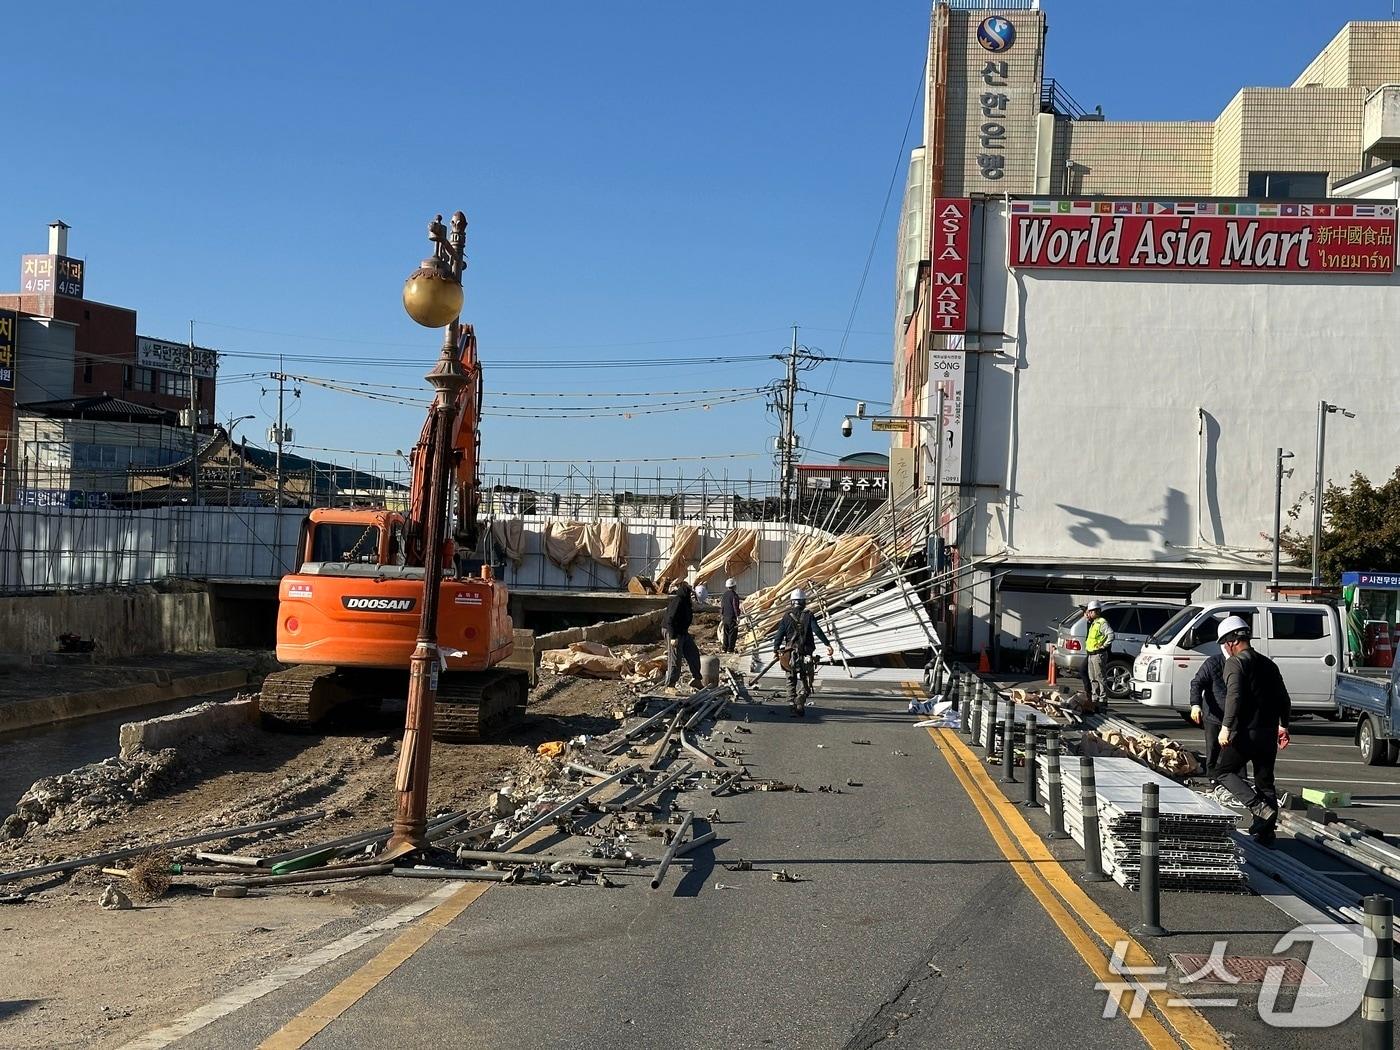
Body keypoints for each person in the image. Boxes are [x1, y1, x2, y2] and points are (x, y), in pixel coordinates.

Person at [1211, 615, 1292, 844]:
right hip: (1268, 733)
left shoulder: (1235, 663)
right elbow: (1284, 700)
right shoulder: (1269, 664)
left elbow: (1234, 697)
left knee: (1223, 772)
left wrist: (1226, 727)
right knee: (1265, 782)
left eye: (1224, 643)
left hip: (1245, 732)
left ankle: (1258, 808)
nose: (1225, 648)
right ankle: (1267, 833)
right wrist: (1284, 726)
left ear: (1232, 641)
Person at [772, 588, 834, 716]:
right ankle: (801, 696)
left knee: (790, 678)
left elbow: (779, 635)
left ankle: (791, 703)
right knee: (807, 677)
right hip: (806, 652)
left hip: (789, 653)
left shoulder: (786, 616)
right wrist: (827, 644)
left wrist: (776, 649)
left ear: (792, 602)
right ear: (803, 602)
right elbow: (817, 630)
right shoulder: (809, 615)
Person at [1189, 648, 1228, 779]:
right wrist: (1195, 704)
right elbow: (1197, 683)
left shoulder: (1242, 663)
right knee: (1213, 751)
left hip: (1234, 717)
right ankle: (1213, 780)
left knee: (1233, 753)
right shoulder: (1213, 662)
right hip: (1213, 716)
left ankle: (1236, 782)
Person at [663, 580, 703, 690]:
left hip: (682, 631)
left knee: (693, 652)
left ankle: (696, 679)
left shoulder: (687, 603)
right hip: (673, 631)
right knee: (676, 658)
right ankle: (670, 685)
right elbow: (670, 620)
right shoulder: (678, 601)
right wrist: (673, 637)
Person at [1083, 600, 1115, 713]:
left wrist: (1103, 646)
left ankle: (1102, 699)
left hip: (1098, 654)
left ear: (1096, 611)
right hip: (1091, 654)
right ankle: (1095, 698)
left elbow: (1111, 635)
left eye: (1091, 611)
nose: (1089, 613)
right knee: (1093, 678)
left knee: (1100, 677)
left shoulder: (1102, 622)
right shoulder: (1094, 623)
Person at [720, 578, 741, 653]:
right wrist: (737, 616)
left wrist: (722, 615)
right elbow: (735, 606)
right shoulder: (734, 595)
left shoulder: (724, 595)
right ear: (734, 586)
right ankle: (730, 649)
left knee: (725, 633)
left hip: (725, 617)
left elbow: (722, 606)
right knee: (732, 633)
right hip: (732, 617)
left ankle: (724, 648)